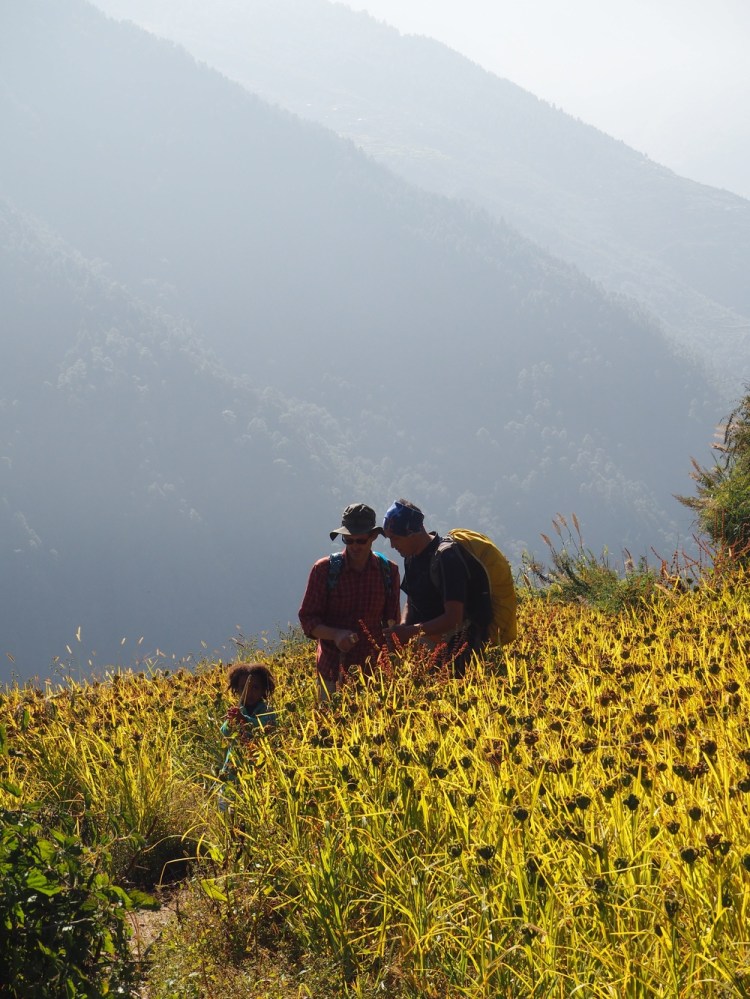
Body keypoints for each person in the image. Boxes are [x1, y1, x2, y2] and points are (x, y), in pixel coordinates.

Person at [299, 503, 401, 700]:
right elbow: (308, 620)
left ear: (373, 537)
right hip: (332, 671)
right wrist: (336, 634)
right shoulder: (324, 570)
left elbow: (392, 623)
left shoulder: (388, 571)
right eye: (348, 540)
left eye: (360, 540)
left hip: (373, 673)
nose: (354, 546)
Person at [382, 499, 492, 677]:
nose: (393, 545)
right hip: (428, 653)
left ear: (412, 533)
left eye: (395, 538)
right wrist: (401, 629)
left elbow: (453, 618)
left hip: (458, 655)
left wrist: (409, 632)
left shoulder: (446, 558)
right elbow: (411, 601)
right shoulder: (410, 557)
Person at [219, 662, 277, 787]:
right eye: (243, 688)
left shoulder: (268, 711)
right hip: (234, 767)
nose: (249, 693)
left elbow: (262, 727)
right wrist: (230, 722)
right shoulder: (237, 710)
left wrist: (243, 719)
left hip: (259, 767)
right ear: (237, 690)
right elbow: (225, 732)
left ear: (263, 690)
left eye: (255, 688)